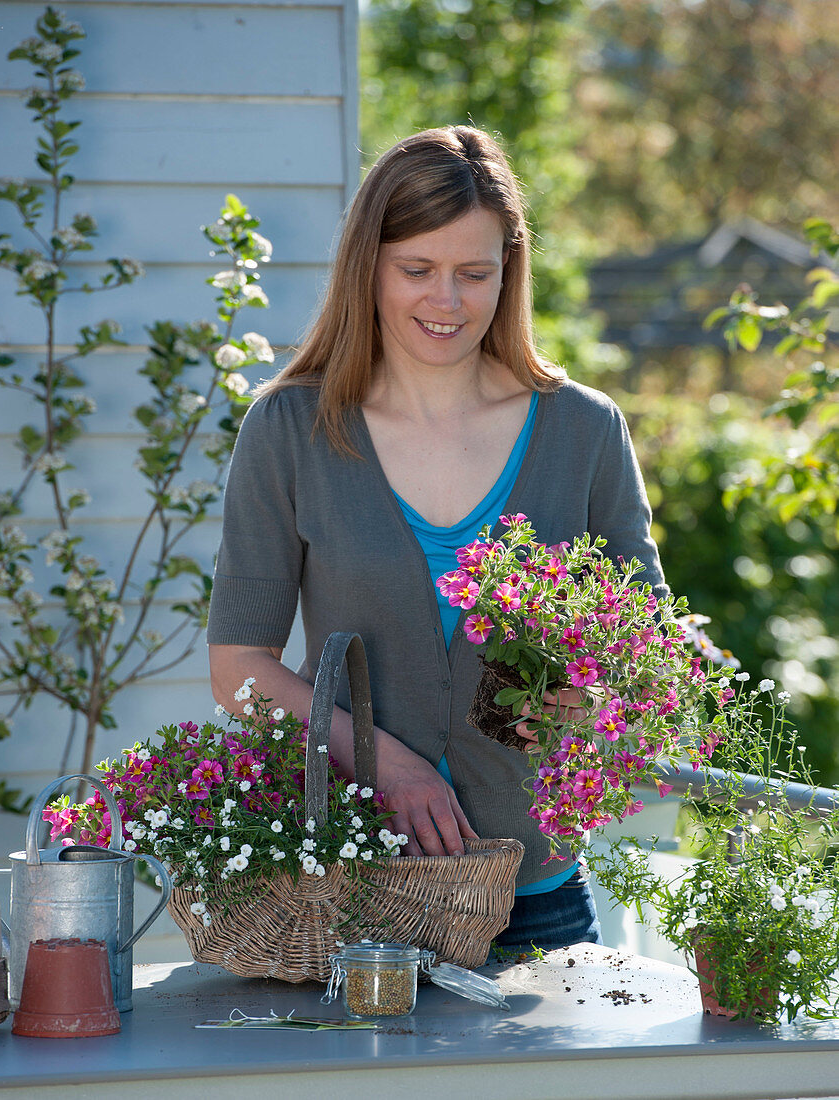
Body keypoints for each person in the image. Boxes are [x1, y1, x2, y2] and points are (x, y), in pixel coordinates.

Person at [207, 126, 668, 951]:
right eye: (416, 270)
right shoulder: (290, 430)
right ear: (368, 267)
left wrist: (594, 698)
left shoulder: (583, 430)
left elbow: (644, 647)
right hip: (351, 892)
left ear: (510, 271)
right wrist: (384, 763)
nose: (446, 302)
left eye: (474, 274)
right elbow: (238, 668)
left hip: (541, 896)